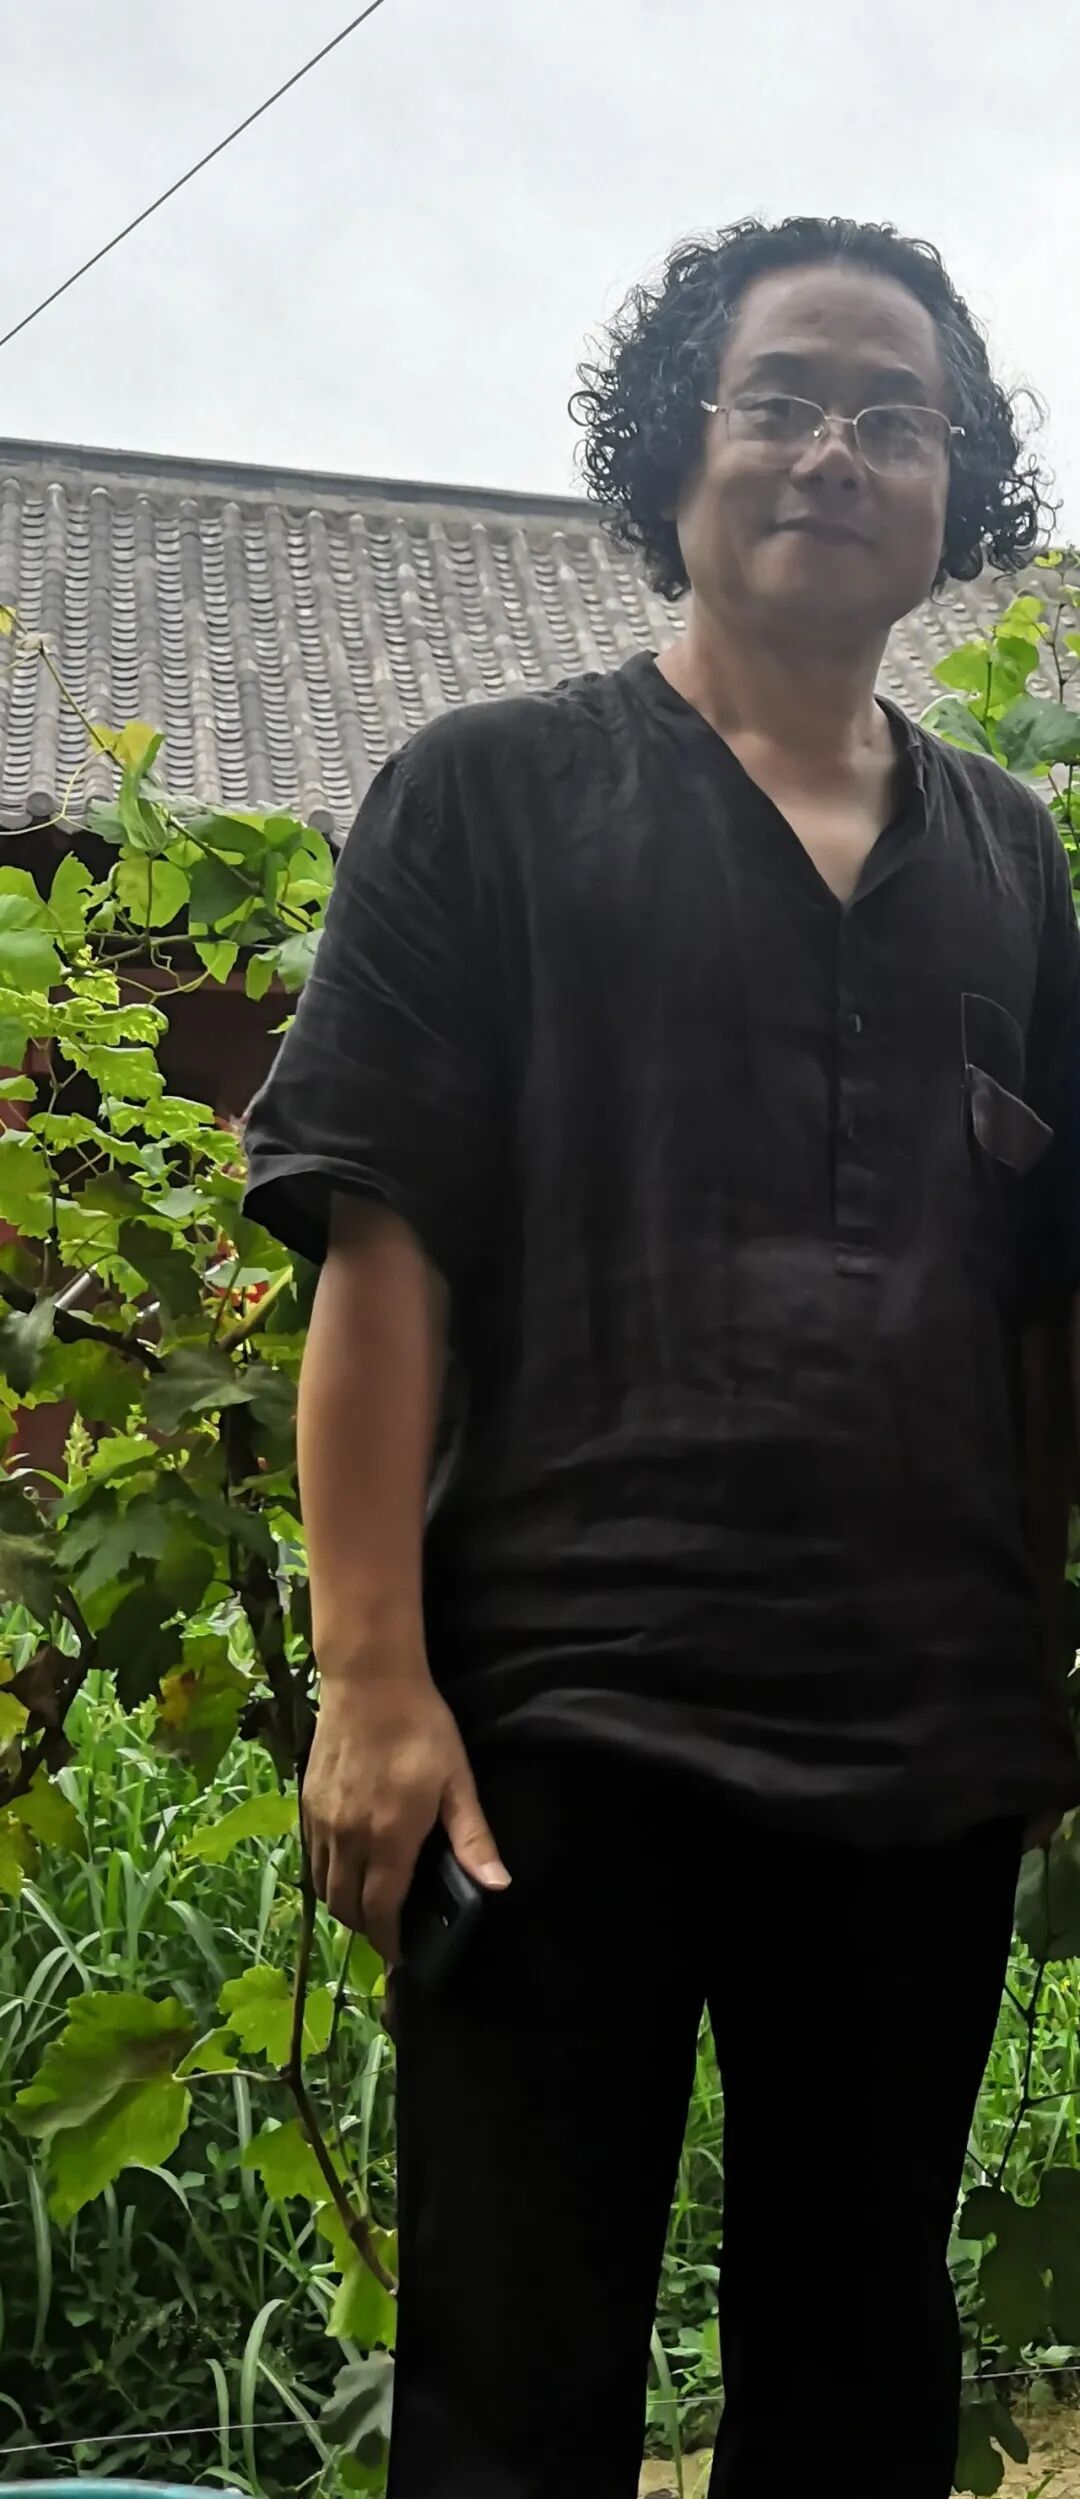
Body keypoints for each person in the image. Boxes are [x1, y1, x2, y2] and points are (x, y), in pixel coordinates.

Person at [243, 216, 1080, 2499]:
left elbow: (1036, 1308)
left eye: (897, 419)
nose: (835, 452)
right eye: (780, 399)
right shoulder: (488, 794)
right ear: (676, 447)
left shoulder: (1010, 859)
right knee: (515, 2382)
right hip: (557, 1724)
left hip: (914, 1740)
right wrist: (371, 1679)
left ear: (959, 487)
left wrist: (1029, 1670)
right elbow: (379, 1250)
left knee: (860, 2368)